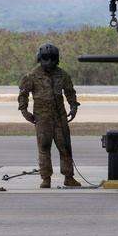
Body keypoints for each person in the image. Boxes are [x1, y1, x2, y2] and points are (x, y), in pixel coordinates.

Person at [17, 43, 81, 188]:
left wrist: (73, 107)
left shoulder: (62, 74)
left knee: (65, 147)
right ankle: (46, 178)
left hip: (60, 118)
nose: (49, 65)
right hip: (42, 118)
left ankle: (68, 177)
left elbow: (70, 92)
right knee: (44, 148)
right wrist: (24, 111)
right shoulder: (32, 76)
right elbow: (23, 94)